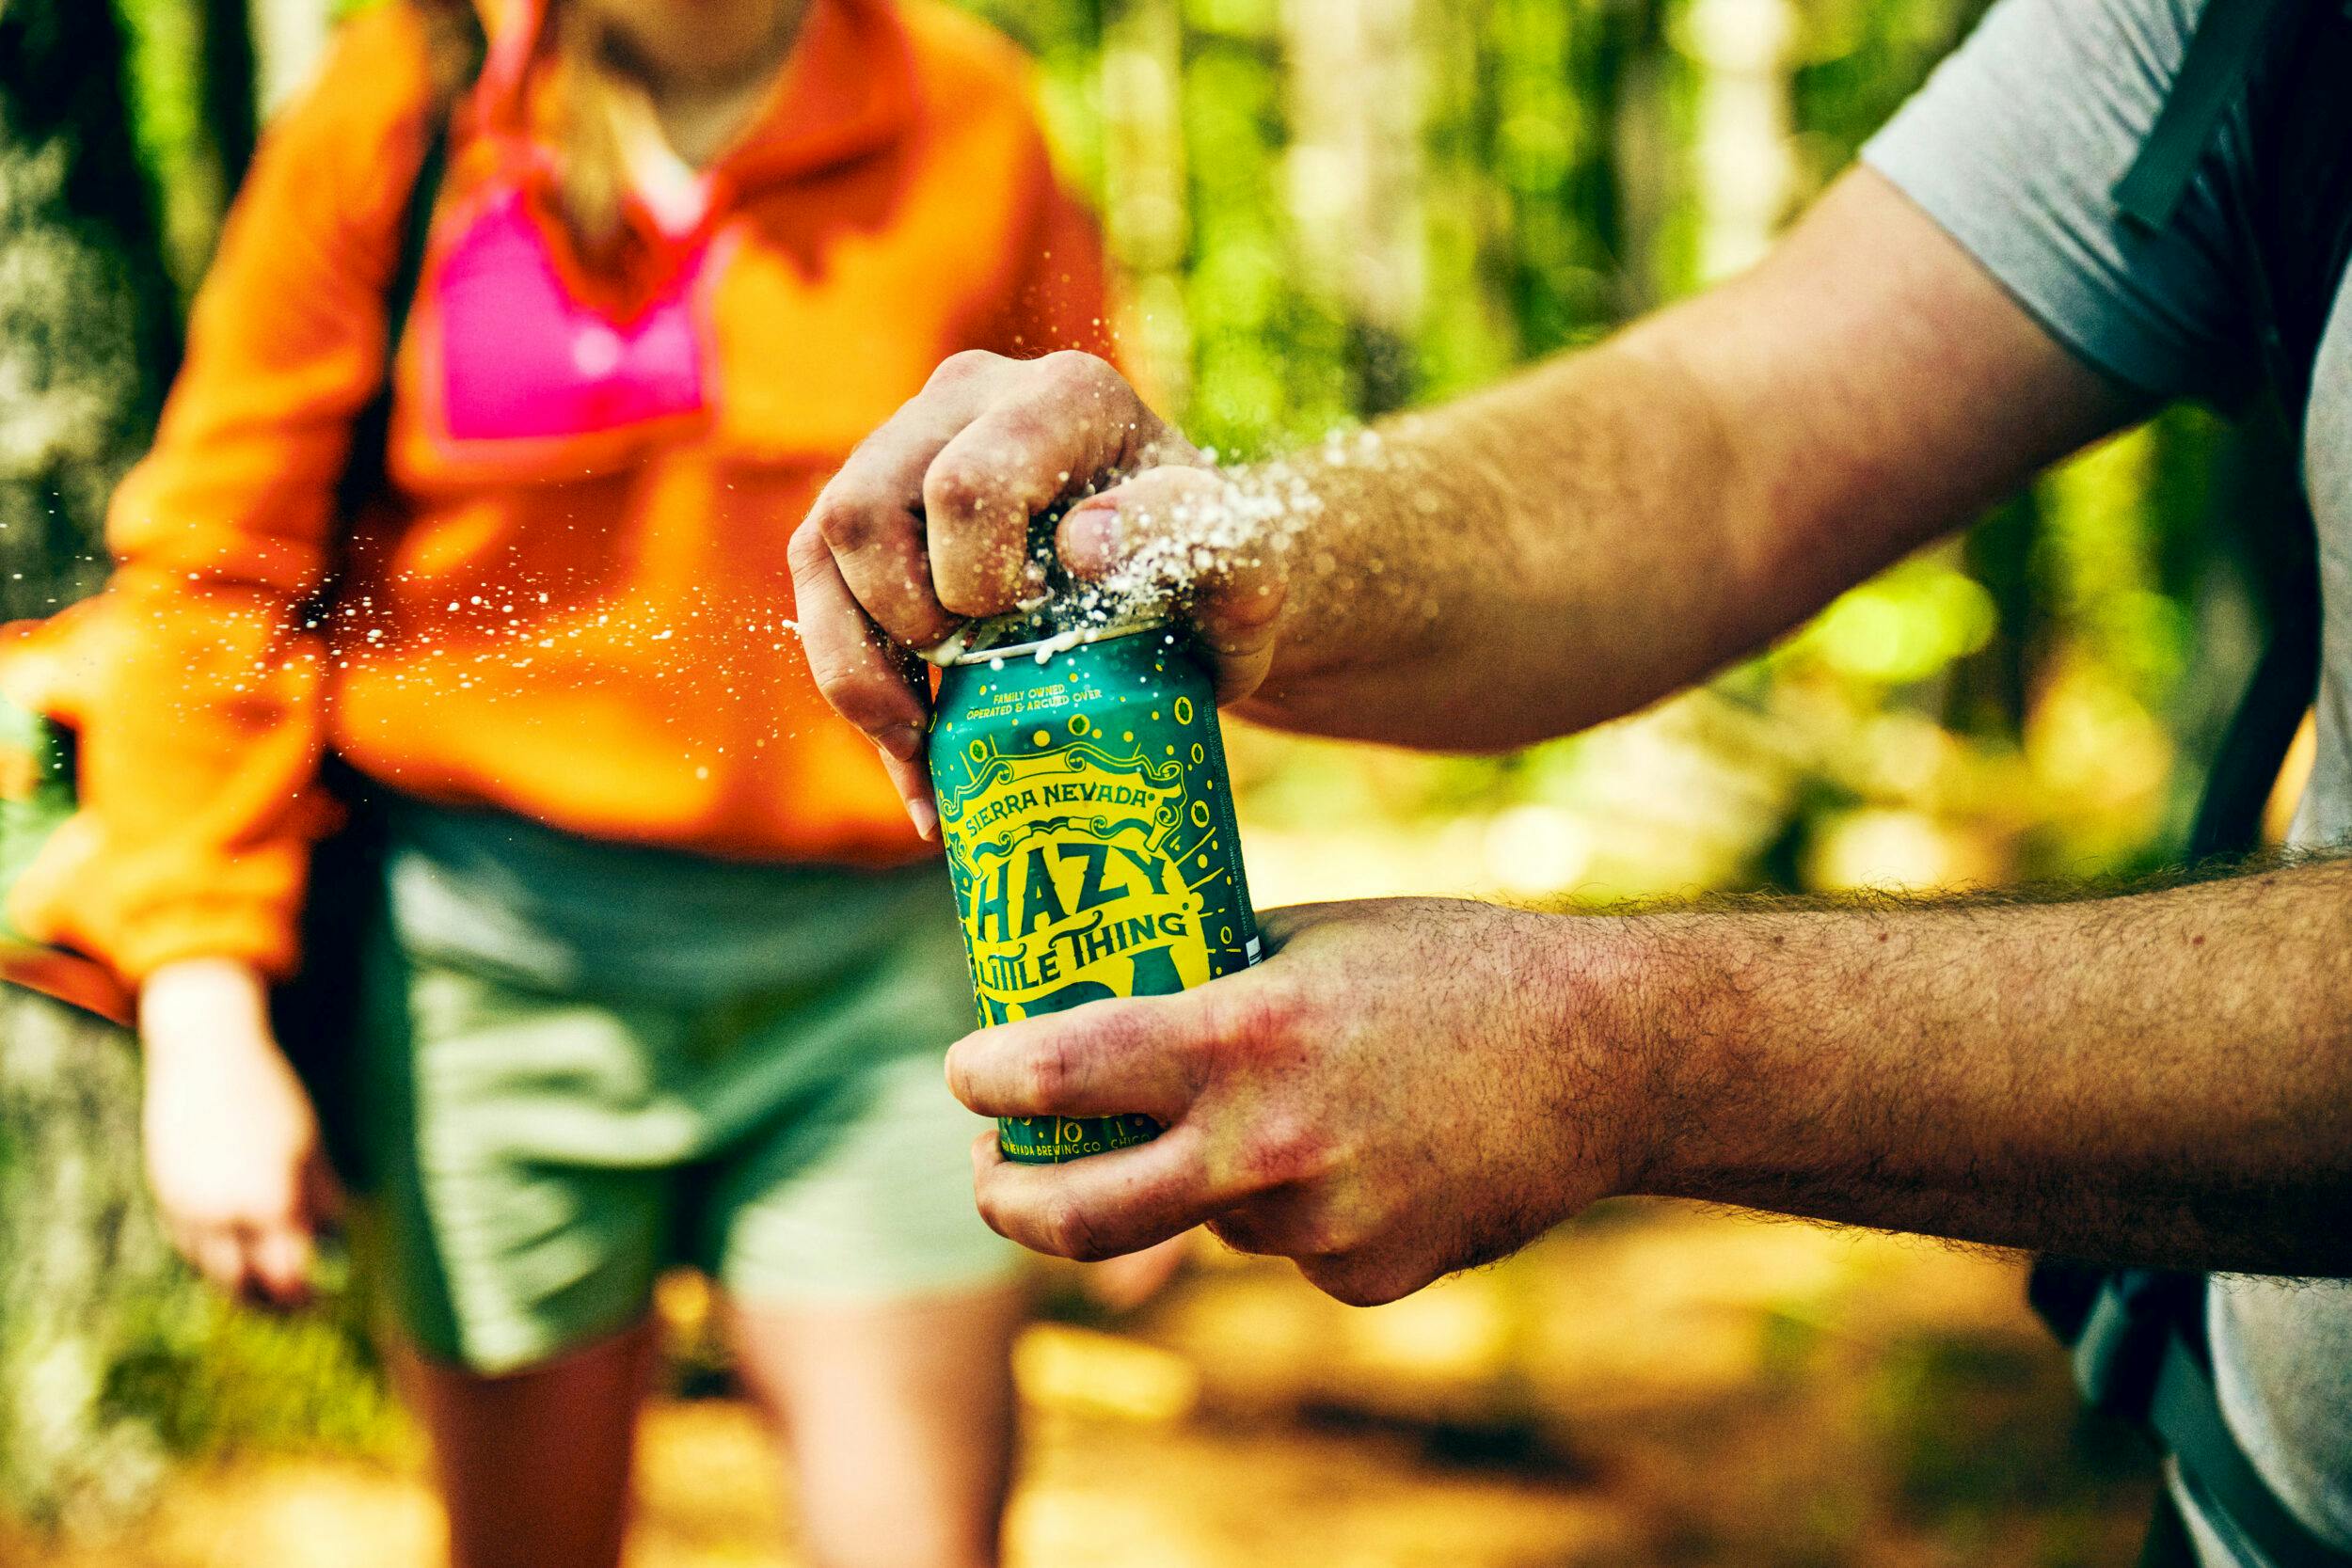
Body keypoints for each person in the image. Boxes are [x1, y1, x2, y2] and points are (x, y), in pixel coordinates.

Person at [790, 0, 2352, 1563]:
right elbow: (1721, 438)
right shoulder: (2235, 27)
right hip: (2232, 1498)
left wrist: (1620, 1046)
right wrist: (1243, 545)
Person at [4, 1, 1118, 1563]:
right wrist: (202, 1009)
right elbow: (213, 582)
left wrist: (1125, 993)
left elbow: (1082, 582)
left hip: (874, 978)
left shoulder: (966, 109)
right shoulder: (399, 109)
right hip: (490, 973)